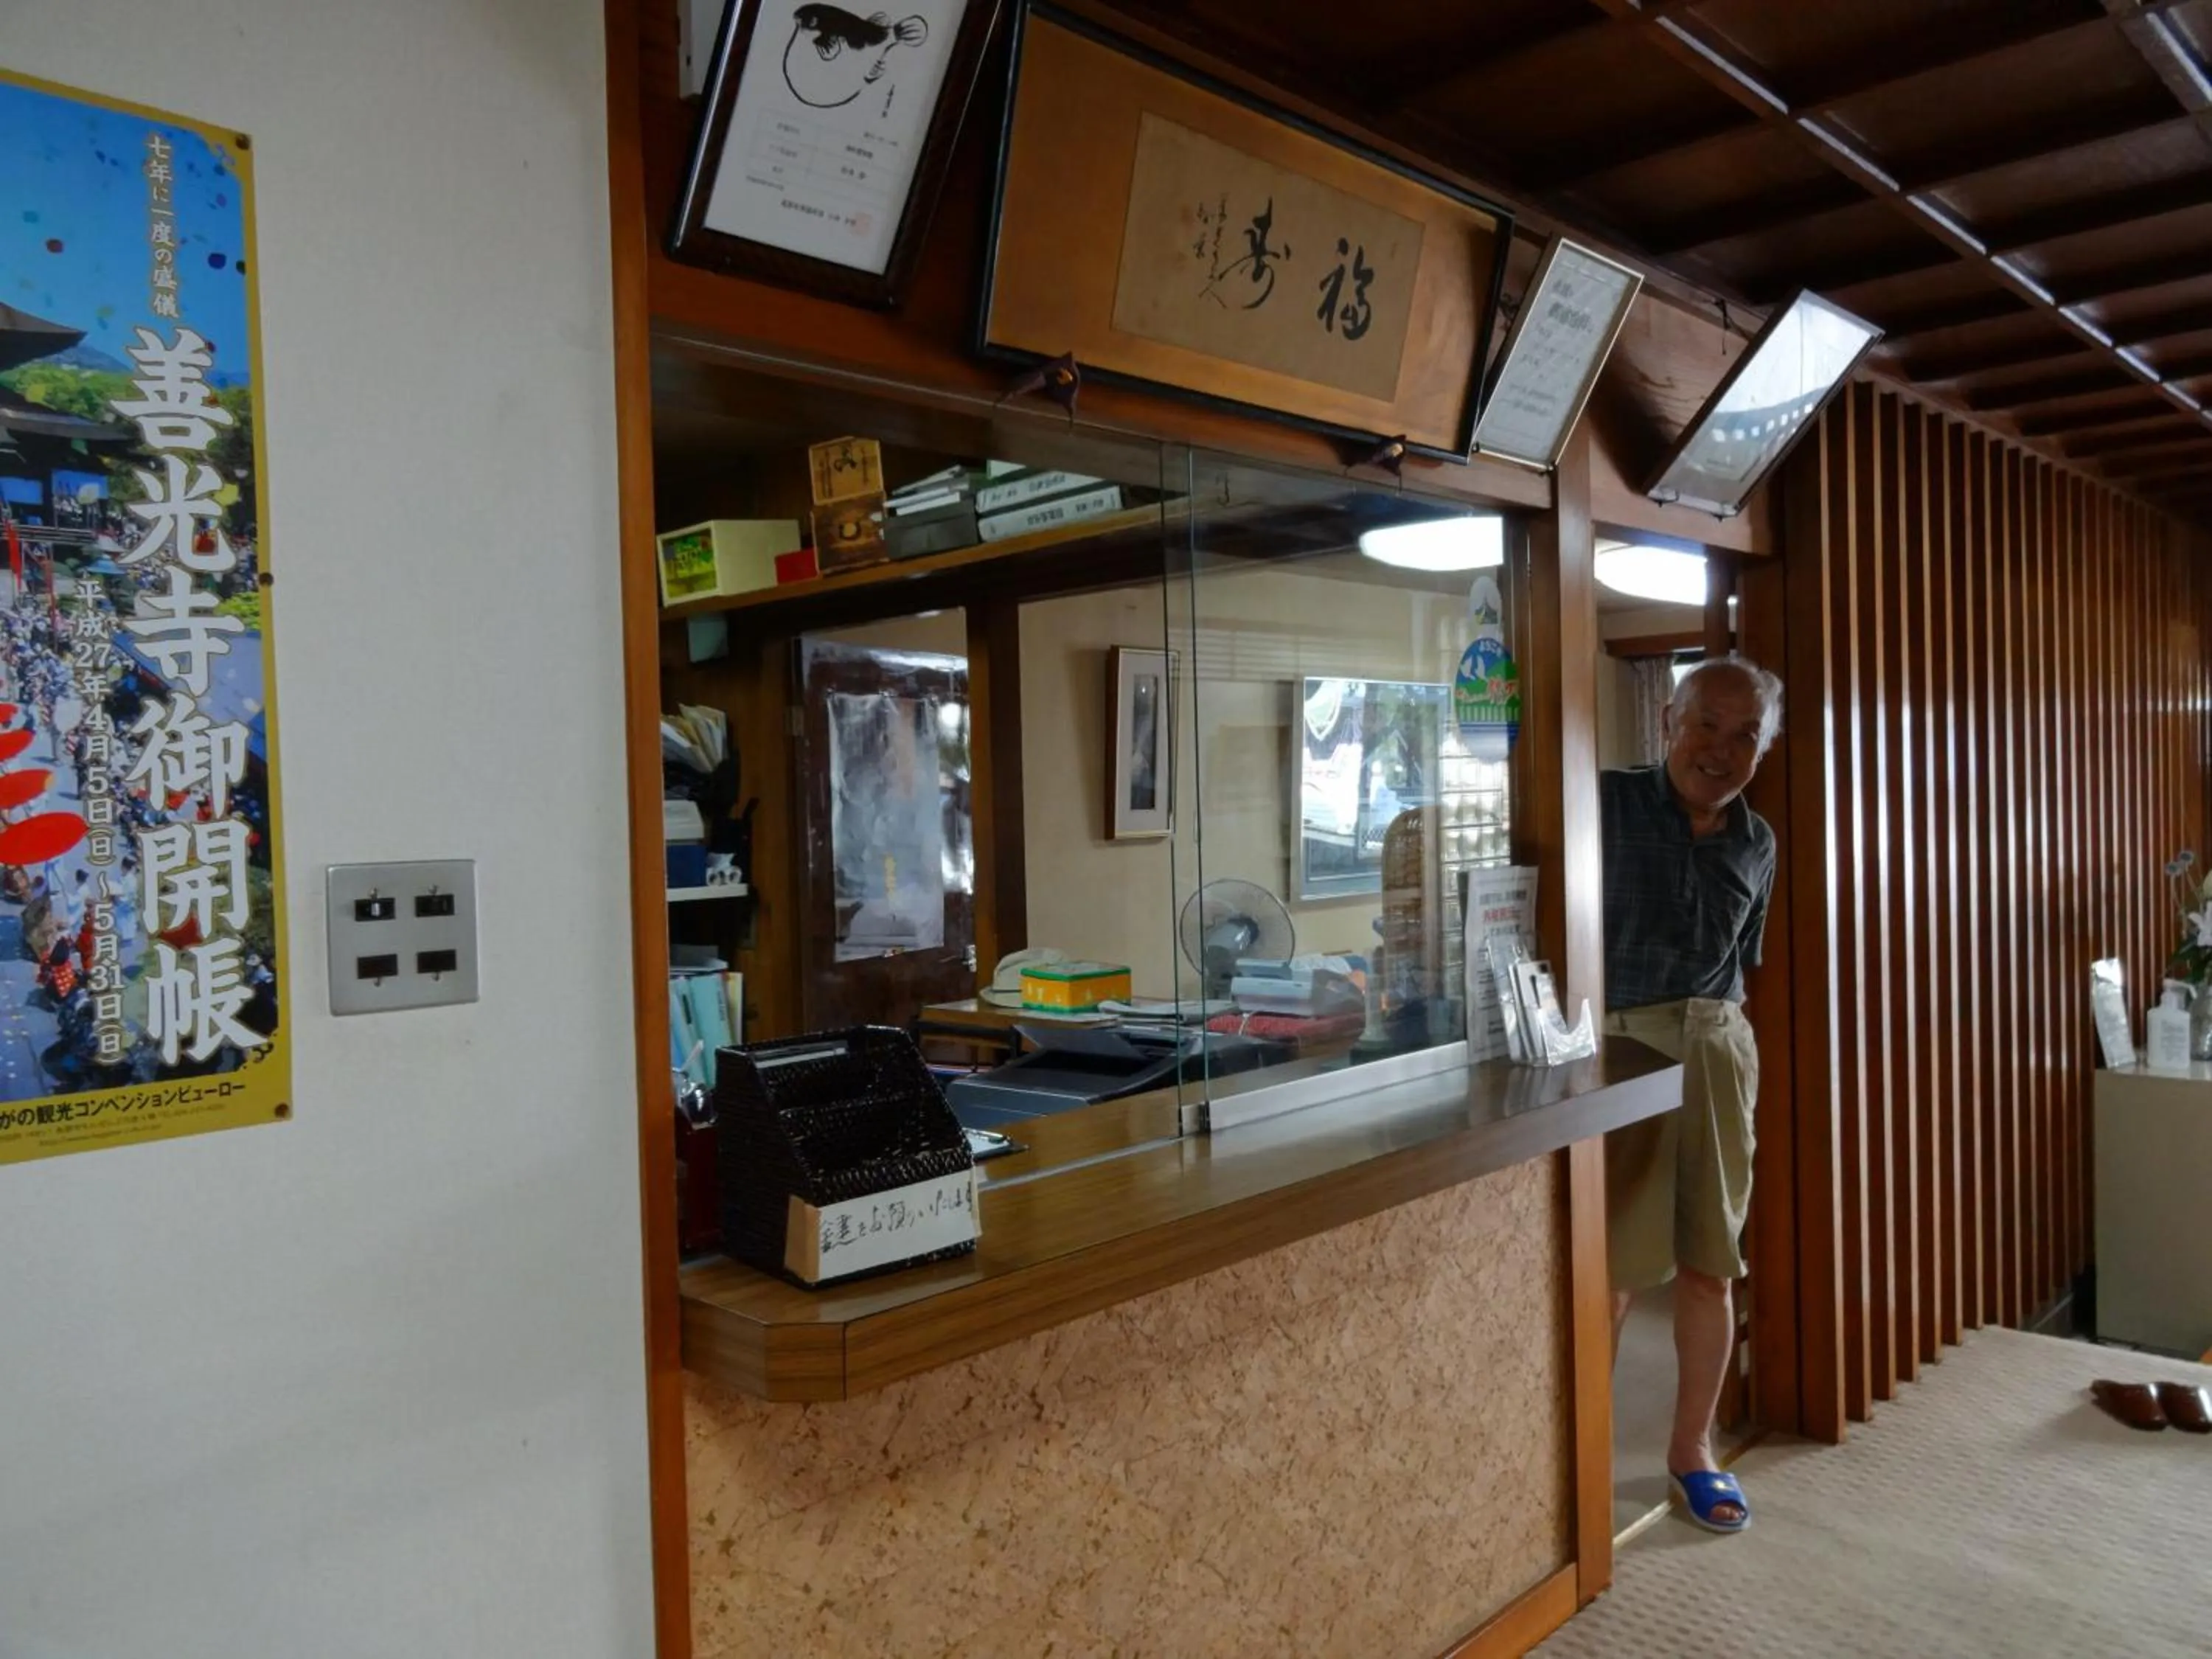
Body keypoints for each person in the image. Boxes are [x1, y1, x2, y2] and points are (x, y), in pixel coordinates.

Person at [1601, 655, 1780, 1536]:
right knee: (1613, 1271)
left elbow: (1744, 964)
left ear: (1762, 749)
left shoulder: (1758, 842)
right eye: (1706, 722)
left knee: (1711, 1267)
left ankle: (1692, 1451)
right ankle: (1577, 1456)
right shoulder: (1601, 802)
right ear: (1669, 720)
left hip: (1715, 1040)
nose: (1721, 747)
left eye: (1745, 733)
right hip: (1617, 1042)